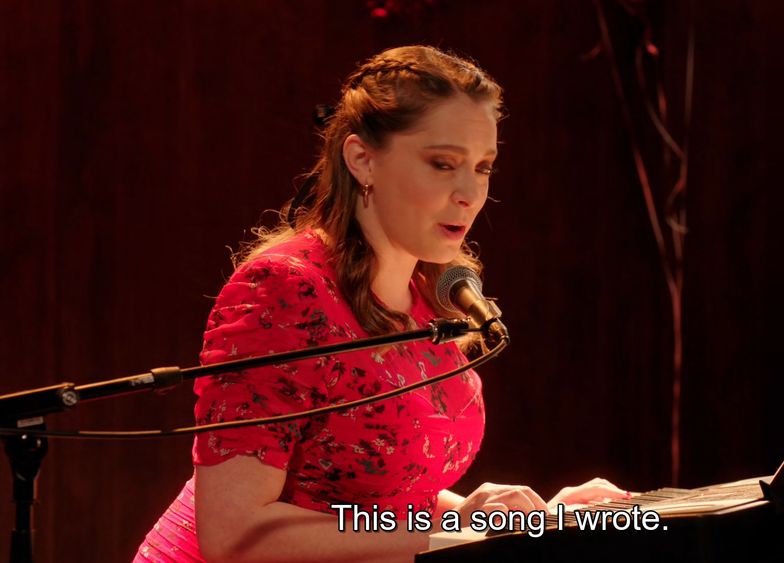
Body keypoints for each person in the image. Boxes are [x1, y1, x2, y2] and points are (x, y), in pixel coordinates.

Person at [134, 45, 628, 563]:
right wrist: (458, 535)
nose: (469, 193)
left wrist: (519, 520)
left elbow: (369, 491)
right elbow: (235, 535)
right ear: (362, 159)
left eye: (483, 168)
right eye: (443, 164)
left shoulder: (431, 296)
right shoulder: (283, 288)